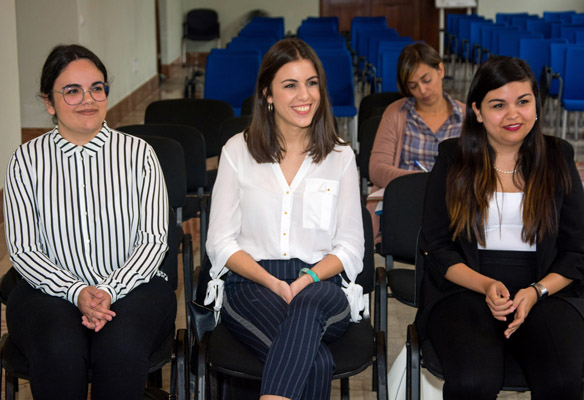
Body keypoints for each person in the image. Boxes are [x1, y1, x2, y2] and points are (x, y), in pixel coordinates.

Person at [417, 56, 584, 399]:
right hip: (467, 286)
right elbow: (436, 245)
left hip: (547, 289)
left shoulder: (559, 157)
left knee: (560, 380)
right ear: (478, 111)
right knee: (473, 380)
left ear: (536, 106)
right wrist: (485, 285)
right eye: (498, 105)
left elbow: (578, 253)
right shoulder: (453, 158)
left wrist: (535, 291)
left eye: (523, 102)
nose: (513, 115)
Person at [3, 44, 176, 400]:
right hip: (48, 289)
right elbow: (24, 250)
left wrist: (109, 290)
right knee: (59, 350)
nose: (88, 99)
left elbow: (154, 240)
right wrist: (76, 292)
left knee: (121, 349)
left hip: (134, 286)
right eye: (72, 91)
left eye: (97, 88)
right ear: (49, 103)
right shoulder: (27, 160)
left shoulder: (139, 155)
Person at [204, 38, 364, 400]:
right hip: (252, 282)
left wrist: (307, 278)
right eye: (289, 85)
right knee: (317, 362)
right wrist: (272, 282)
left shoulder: (339, 155)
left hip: (322, 282)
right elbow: (220, 243)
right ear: (268, 95)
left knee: (307, 306)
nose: (303, 95)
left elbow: (352, 246)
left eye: (311, 83)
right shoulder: (237, 151)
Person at [368, 42, 464, 238]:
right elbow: (376, 169)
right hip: (408, 205)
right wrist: (418, 182)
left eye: (426, 80)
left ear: (441, 69)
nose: (422, 90)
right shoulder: (396, 113)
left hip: (454, 207)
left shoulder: (466, 117)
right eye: (413, 86)